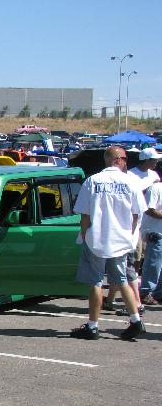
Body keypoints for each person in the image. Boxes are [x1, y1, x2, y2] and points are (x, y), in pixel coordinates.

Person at [70, 145, 147, 340]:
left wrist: (85, 234)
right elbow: (136, 214)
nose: (126, 163)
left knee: (95, 282)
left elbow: (84, 215)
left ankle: (93, 325)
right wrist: (129, 235)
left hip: (97, 238)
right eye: (125, 159)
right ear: (117, 160)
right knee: (121, 280)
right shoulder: (131, 182)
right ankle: (136, 320)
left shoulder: (93, 181)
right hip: (120, 240)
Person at [105, 147, 162, 312]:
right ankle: (138, 297)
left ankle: (118, 298)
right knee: (134, 264)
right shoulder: (131, 176)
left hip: (137, 226)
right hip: (135, 226)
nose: (156, 162)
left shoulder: (154, 176)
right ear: (146, 160)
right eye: (154, 160)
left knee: (135, 262)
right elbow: (144, 207)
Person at [138, 179, 162, 305]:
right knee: (153, 264)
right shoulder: (156, 188)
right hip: (155, 233)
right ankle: (146, 292)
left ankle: (159, 294)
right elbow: (149, 209)